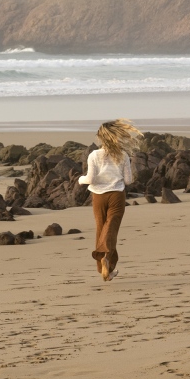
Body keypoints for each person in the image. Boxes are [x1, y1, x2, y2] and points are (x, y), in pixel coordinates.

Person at [79, 119, 144, 281]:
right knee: (111, 228)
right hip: (116, 195)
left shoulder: (94, 155)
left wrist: (81, 179)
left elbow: (90, 179)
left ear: (101, 138)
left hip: (98, 196)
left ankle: (103, 268)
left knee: (101, 229)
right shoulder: (123, 155)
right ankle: (107, 259)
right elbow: (128, 180)